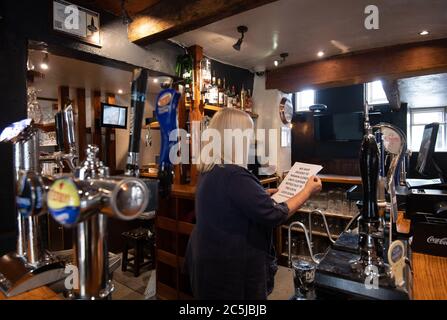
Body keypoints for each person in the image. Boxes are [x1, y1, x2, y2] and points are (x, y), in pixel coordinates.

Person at [185, 108, 322, 300]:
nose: (251, 140)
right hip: (231, 271)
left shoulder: (211, 170)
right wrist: (307, 191)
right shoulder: (234, 175)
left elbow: (228, 203)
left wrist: (260, 195)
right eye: (248, 133)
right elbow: (274, 215)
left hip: (208, 263)